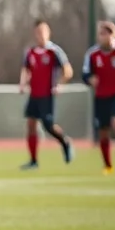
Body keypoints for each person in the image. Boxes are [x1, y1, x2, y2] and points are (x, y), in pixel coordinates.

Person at [82, 20, 115, 174]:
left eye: (106, 33)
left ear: (113, 35)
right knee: (103, 131)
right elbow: (85, 74)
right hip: (101, 97)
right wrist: (90, 79)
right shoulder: (92, 54)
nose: (103, 36)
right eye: (100, 33)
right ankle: (108, 165)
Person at [18, 20, 74, 169]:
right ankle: (33, 161)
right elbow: (26, 70)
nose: (40, 35)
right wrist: (23, 84)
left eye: (43, 31)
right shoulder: (30, 52)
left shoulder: (54, 51)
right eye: (38, 32)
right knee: (31, 125)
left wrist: (59, 84)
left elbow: (68, 71)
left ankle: (65, 142)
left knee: (48, 126)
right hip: (34, 95)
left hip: (47, 95)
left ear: (48, 33)